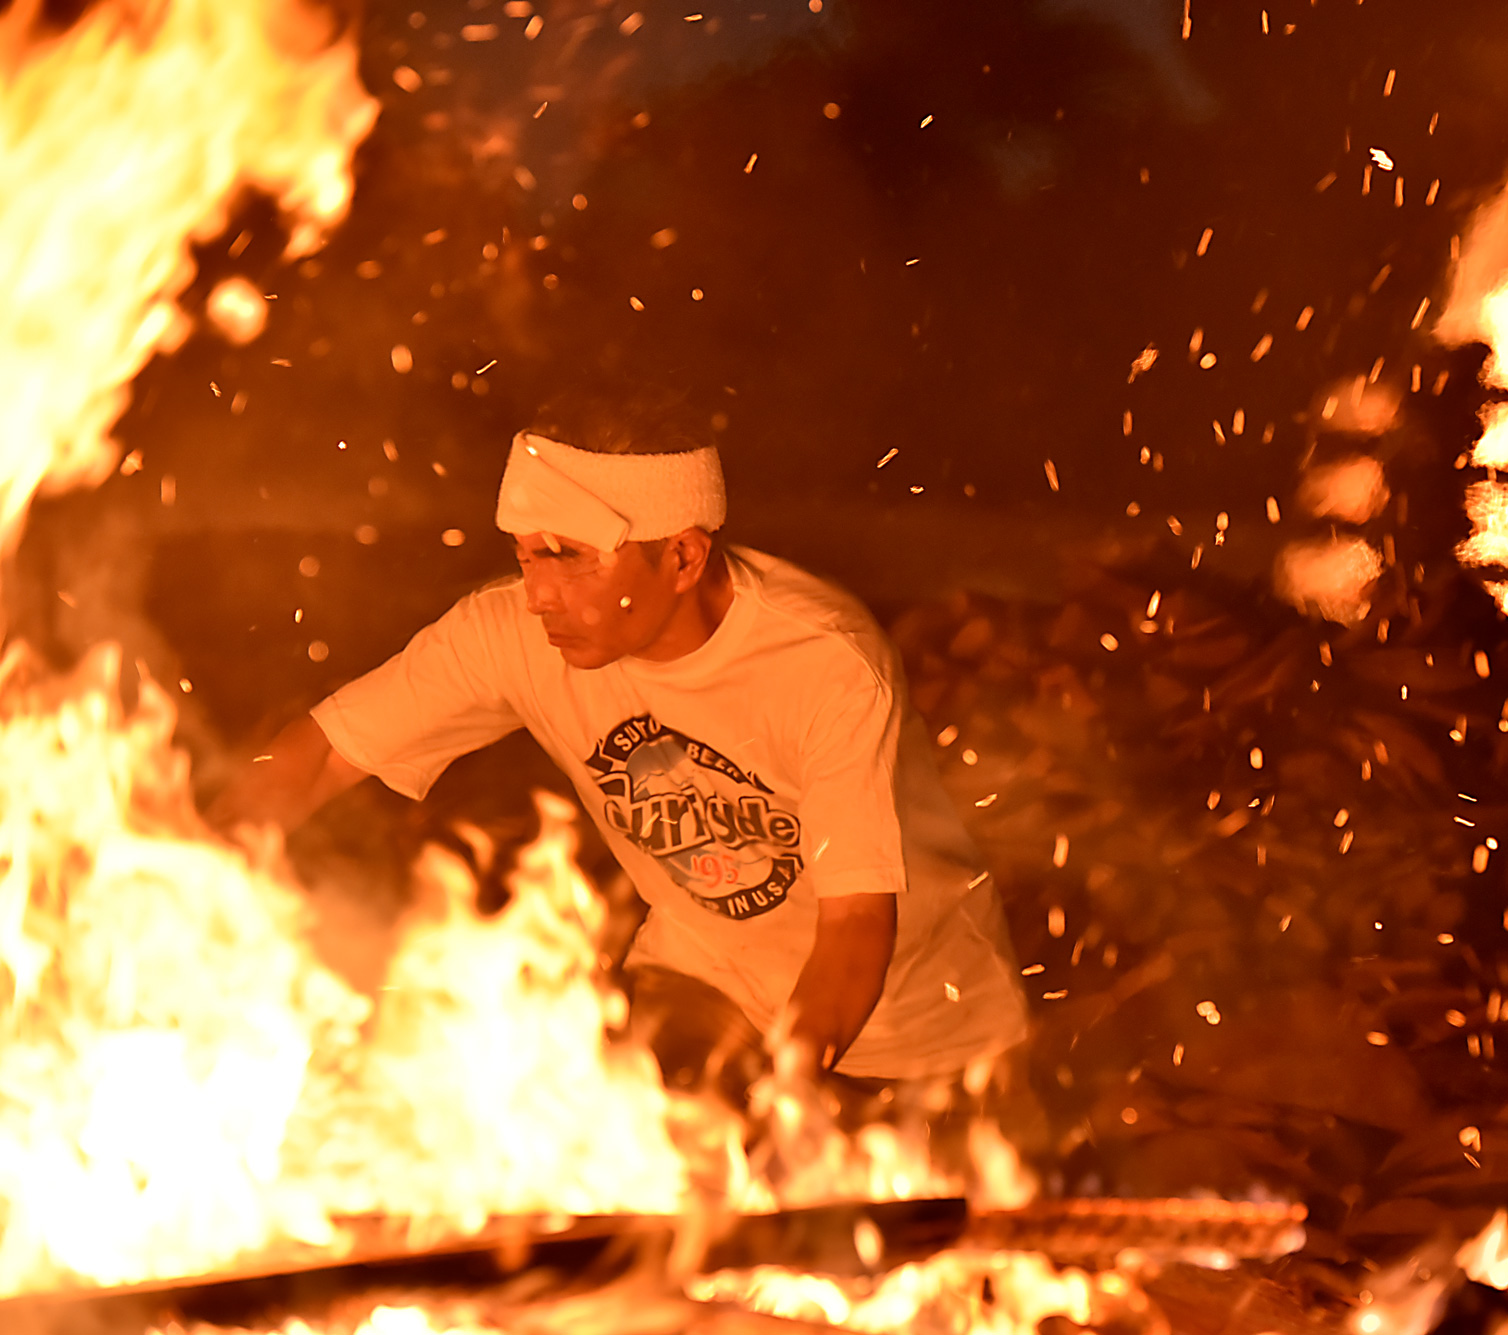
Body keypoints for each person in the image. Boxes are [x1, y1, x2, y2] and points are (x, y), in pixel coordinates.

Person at [209, 391, 1029, 1092]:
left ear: (680, 555)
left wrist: (789, 1099)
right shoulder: (508, 632)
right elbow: (318, 756)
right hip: (701, 986)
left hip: (923, 1038)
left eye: (566, 557)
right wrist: (185, 874)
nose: (536, 594)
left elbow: (854, 927)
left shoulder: (824, 663)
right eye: (525, 556)